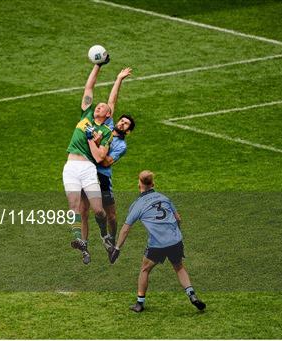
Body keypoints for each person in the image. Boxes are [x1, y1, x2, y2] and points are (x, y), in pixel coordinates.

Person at [109, 170, 206, 312]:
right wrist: (175, 234)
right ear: (153, 184)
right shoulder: (164, 198)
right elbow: (178, 219)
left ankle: (139, 303)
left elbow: (125, 229)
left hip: (157, 245)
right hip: (175, 240)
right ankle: (192, 295)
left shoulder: (138, 205)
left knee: (145, 269)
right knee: (179, 267)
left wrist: (117, 248)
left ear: (139, 184)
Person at [62, 56, 113, 265]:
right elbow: (89, 87)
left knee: (98, 210)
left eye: (103, 106)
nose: (99, 106)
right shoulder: (86, 114)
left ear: (108, 113)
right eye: (98, 105)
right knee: (74, 208)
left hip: (88, 169)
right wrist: (97, 65)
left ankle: (104, 234)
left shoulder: (105, 131)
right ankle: (80, 243)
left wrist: (95, 141)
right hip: (71, 167)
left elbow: (101, 157)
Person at [79, 68, 135, 254]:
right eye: (121, 120)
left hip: (102, 177)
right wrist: (119, 78)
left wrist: (98, 149)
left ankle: (112, 238)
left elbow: (106, 162)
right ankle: (86, 242)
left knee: (111, 215)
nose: (122, 123)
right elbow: (112, 101)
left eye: (126, 124)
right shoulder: (108, 125)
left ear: (128, 132)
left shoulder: (121, 146)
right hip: (88, 173)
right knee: (86, 210)